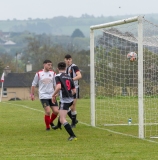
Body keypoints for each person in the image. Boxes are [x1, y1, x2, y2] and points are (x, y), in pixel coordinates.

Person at [52, 62, 77, 141]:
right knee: (61, 111)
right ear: (65, 68)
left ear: (58, 68)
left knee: (62, 119)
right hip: (70, 99)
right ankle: (58, 126)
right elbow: (74, 91)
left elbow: (59, 87)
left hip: (65, 100)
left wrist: (53, 95)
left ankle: (72, 135)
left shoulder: (57, 76)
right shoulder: (69, 77)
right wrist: (65, 94)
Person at [30, 60, 58, 131]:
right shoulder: (39, 74)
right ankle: (47, 127)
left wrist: (56, 93)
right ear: (44, 65)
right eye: (48, 65)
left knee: (56, 111)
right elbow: (33, 84)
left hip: (52, 95)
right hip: (43, 95)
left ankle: (51, 121)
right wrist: (32, 94)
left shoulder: (53, 73)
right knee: (48, 111)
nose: (50, 66)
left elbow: (56, 84)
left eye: (51, 65)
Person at [64, 54, 82, 128]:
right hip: (67, 89)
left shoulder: (74, 67)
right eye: (67, 59)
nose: (68, 60)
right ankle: (74, 120)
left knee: (73, 106)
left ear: (71, 60)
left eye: (69, 59)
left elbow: (79, 76)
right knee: (66, 106)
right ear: (64, 60)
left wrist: (71, 80)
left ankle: (73, 123)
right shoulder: (66, 68)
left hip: (75, 88)